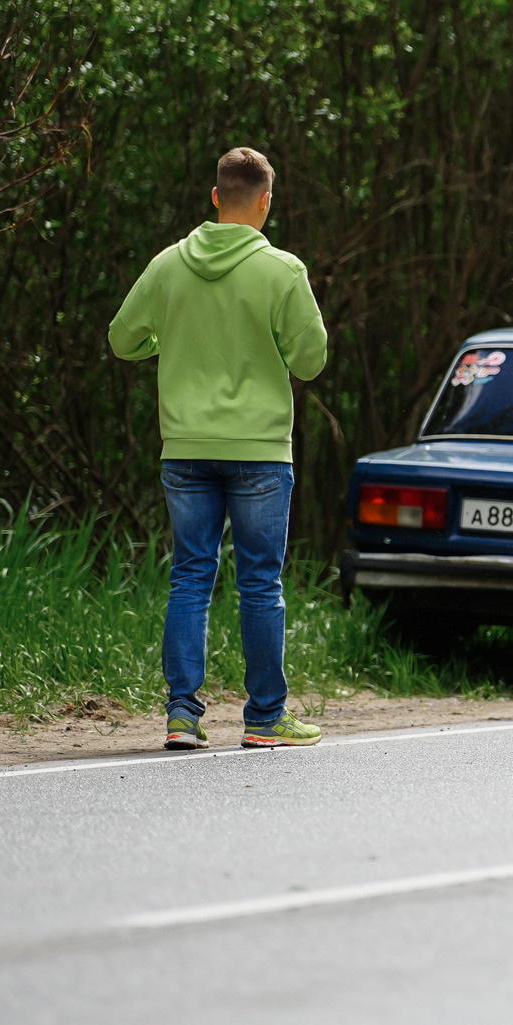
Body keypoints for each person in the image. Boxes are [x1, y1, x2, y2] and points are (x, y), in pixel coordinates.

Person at [107, 147, 330, 750]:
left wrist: (168, 339)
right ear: (265, 202)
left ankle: (182, 715)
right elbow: (310, 360)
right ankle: (265, 719)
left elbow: (123, 340)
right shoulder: (283, 271)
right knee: (259, 583)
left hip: (185, 446)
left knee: (190, 576)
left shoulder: (167, 265)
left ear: (214, 197)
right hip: (260, 450)